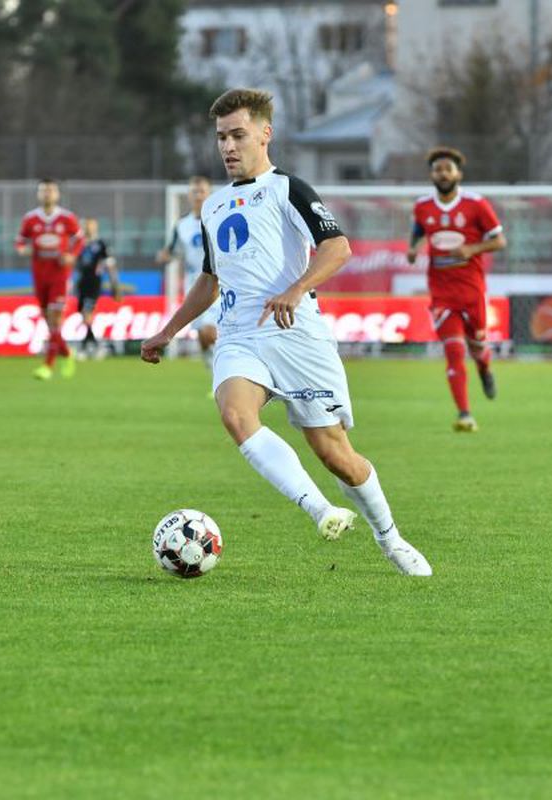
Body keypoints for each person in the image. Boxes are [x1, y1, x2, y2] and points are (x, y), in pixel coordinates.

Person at [140, 87, 431, 577]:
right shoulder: (211, 207)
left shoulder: (288, 189)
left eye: (238, 135)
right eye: (221, 138)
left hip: (296, 334)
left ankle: (391, 538)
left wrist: (296, 289)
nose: (228, 147)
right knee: (235, 415)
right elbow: (210, 280)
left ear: (264, 134)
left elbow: (337, 248)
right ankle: (321, 511)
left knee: (335, 455)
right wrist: (167, 331)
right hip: (239, 335)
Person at [407, 147, 507, 432]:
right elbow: (418, 229)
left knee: (477, 345)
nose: (442, 174)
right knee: (453, 350)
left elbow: (499, 241)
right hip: (441, 292)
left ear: (458, 174)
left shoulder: (476, 204)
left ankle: (485, 368)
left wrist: (473, 248)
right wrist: (414, 248)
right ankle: (465, 414)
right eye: (437, 169)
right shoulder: (423, 205)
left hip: (472, 290)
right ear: (432, 175)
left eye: (447, 169)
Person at [15, 178, 84, 380]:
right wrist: (23, 249)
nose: (47, 194)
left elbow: (79, 239)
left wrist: (72, 255)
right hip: (39, 273)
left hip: (59, 274)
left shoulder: (66, 218)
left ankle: (48, 365)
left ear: (57, 194)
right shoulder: (30, 219)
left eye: (51, 190)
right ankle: (68, 353)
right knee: (48, 320)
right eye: (44, 190)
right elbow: (20, 242)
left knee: (55, 318)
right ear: (38, 194)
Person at [156, 176, 217, 366]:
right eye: (194, 192)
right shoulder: (182, 225)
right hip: (195, 286)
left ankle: (227, 374)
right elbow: (173, 251)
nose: (198, 196)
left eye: (202, 192)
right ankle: (215, 373)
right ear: (189, 196)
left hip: (219, 284)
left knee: (210, 331)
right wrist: (165, 256)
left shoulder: (218, 218)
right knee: (203, 337)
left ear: (209, 194)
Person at [74, 218, 122, 359]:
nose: (87, 228)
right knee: (83, 313)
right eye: (85, 225)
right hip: (81, 282)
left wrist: (115, 285)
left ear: (95, 227)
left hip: (94, 282)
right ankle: (92, 343)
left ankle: (88, 345)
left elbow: (110, 265)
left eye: (90, 225)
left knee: (87, 311)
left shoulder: (101, 245)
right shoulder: (79, 244)